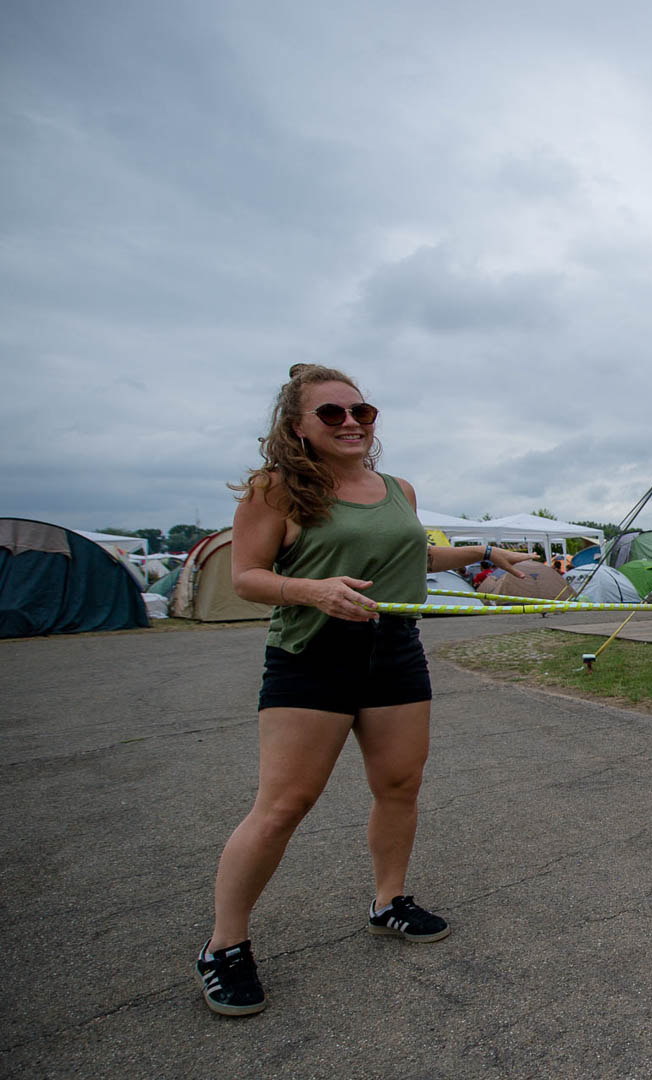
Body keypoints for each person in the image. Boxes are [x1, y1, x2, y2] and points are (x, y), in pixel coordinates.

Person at [197, 364, 533, 1017]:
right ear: (297, 425)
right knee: (284, 804)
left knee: (400, 785)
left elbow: (415, 557)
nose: (351, 422)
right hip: (312, 653)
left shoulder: (397, 489)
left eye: (362, 411)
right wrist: (311, 590)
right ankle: (223, 947)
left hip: (394, 650)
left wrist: (487, 553)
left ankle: (388, 902)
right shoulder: (275, 490)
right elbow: (246, 577)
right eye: (332, 413)